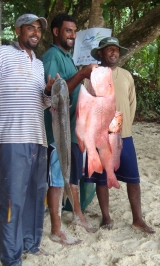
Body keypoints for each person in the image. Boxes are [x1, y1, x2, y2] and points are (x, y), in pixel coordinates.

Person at [0, 14, 58, 266]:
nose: (36, 33)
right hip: (10, 139)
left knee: (35, 195)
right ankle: (11, 258)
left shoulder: (38, 64)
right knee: (11, 199)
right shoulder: (1, 55)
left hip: (37, 139)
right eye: (30, 28)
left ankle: (30, 244)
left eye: (39, 29)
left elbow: (41, 103)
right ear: (18, 30)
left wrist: (48, 93)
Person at [86, 37, 155, 234]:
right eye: (109, 50)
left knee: (133, 178)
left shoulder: (126, 75)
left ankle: (138, 219)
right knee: (102, 178)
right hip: (100, 137)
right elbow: (87, 105)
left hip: (124, 135)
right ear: (101, 53)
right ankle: (106, 216)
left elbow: (132, 103)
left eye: (116, 50)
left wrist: (125, 128)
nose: (114, 53)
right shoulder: (91, 75)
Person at [41, 13, 97, 246]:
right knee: (57, 179)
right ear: (56, 32)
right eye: (68, 31)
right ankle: (56, 229)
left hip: (73, 129)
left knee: (71, 175)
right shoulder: (53, 56)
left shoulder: (67, 56)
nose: (72, 35)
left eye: (74, 31)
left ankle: (77, 215)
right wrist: (82, 73)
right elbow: (57, 91)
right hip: (57, 132)